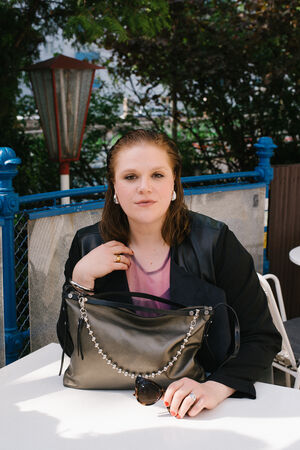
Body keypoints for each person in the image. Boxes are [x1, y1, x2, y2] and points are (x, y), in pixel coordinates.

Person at [57, 129, 281, 419]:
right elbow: (71, 346)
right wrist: (81, 280)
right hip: (111, 409)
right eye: (130, 177)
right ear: (113, 186)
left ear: (174, 181)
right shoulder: (87, 245)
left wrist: (215, 388)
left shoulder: (215, 242)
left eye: (158, 175)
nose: (145, 187)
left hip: (201, 408)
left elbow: (262, 337)